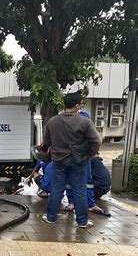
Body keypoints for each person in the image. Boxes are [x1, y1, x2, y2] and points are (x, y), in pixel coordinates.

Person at [41, 92, 101, 228]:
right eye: (80, 104)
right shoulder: (84, 122)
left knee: (56, 190)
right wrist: (89, 154)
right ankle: (82, 222)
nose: (80, 106)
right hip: (78, 162)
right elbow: (96, 141)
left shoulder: (53, 121)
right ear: (76, 106)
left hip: (58, 161)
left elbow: (46, 142)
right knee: (80, 191)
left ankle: (51, 218)